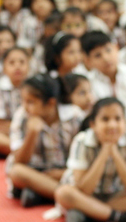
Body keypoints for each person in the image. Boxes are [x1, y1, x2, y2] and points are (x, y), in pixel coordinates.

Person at [54, 97, 126, 222]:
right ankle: (121, 217)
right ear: (93, 124)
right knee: (64, 193)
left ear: (125, 122)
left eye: (118, 119)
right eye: (105, 119)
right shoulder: (81, 141)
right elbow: (84, 189)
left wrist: (115, 154)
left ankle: (91, 214)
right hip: (87, 196)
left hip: (116, 196)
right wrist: (104, 152)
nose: (112, 125)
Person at [6, 74, 86, 207]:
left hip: (66, 172)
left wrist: (61, 173)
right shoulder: (22, 116)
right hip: (36, 173)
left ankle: (41, 194)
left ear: (51, 103)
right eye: (23, 101)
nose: (25, 107)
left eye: (31, 102)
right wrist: (32, 133)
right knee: (16, 172)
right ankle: (72, 198)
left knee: (83, 177)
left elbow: (82, 156)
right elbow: (19, 161)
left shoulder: (74, 116)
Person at [0, 46, 31, 157]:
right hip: (8, 134)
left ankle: (17, 153)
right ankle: (26, 154)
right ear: (4, 68)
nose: (17, 66)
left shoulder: (35, 87)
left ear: (29, 66)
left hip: (29, 133)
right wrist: (20, 130)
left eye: (22, 62)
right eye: (12, 63)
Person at [80, 31, 126, 104]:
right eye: (97, 55)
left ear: (116, 48)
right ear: (88, 61)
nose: (106, 58)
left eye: (108, 50)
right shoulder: (88, 84)